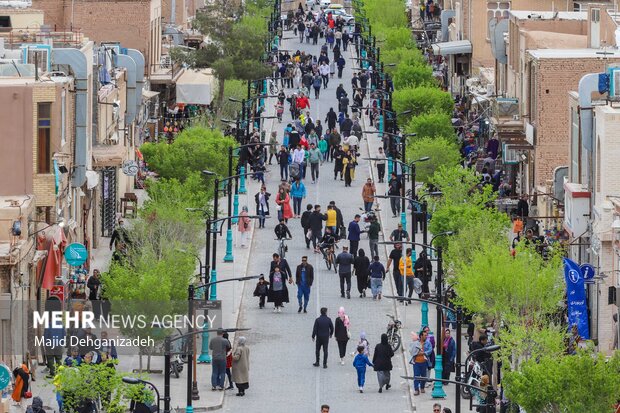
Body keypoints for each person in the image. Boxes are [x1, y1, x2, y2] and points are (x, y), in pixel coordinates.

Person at [409, 331, 428, 395]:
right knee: (416, 376)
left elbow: (429, 350)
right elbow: (412, 352)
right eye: (425, 335)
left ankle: (422, 387)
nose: (426, 336)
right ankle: (416, 389)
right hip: (417, 362)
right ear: (421, 336)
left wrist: (424, 353)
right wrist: (420, 353)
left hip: (424, 362)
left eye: (426, 335)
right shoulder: (416, 343)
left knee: (424, 376)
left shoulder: (427, 343)